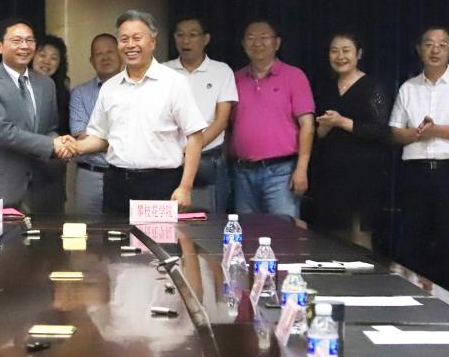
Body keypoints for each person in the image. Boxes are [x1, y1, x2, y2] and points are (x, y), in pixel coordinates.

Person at [73, 10, 207, 215]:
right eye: (124, 39)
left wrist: (185, 187)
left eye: (137, 38)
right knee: (114, 236)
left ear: (152, 42)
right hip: (117, 183)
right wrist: (73, 147)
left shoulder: (174, 83)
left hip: (160, 184)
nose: (130, 45)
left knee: (158, 237)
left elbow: (195, 136)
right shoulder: (109, 87)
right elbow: (100, 137)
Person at [389, 26, 449, 290]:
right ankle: (409, 301)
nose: (435, 50)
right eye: (429, 44)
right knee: (411, 243)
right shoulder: (408, 87)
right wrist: (418, 133)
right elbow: (394, 133)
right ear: (419, 49)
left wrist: (436, 130)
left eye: (442, 45)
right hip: (415, 174)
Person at [0, 18, 73, 210]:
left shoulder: (46, 84)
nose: (24, 46)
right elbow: (3, 133)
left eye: (29, 40)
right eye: (16, 40)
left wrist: (61, 144)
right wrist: (51, 145)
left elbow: (49, 128)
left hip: (40, 187)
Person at [311, 32, 391, 249]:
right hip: (331, 173)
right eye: (334, 51)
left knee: (360, 238)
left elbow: (382, 131)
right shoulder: (325, 87)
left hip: (364, 174)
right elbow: (316, 134)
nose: (340, 56)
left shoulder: (373, 86)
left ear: (359, 54)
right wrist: (324, 128)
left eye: (346, 50)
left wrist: (343, 122)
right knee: (332, 239)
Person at [229, 19, 315, 219]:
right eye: (251, 38)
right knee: (247, 233)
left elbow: (308, 126)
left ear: (277, 43)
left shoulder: (294, 76)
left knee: (283, 233)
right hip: (242, 173)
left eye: (264, 37)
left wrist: (302, 168)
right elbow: (227, 125)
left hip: (281, 172)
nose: (257, 43)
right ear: (243, 44)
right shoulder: (234, 78)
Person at [165, 16, 238, 214]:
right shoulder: (164, 71)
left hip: (208, 159)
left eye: (192, 35)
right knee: (171, 219)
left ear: (206, 39)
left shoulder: (221, 71)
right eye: (180, 35)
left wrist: (192, 148)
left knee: (209, 220)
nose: (185, 41)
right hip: (171, 158)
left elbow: (221, 120)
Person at [69, 34, 122, 214]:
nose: (105, 57)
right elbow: (80, 135)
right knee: (85, 228)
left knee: (123, 228)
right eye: (99, 54)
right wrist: (119, 139)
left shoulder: (136, 89)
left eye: (110, 52)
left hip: (125, 174)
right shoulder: (79, 93)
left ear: (121, 55)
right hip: (90, 175)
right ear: (92, 61)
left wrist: (96, 140)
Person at [30, 34, 71, 214]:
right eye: (42, 55)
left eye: (54, 58)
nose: (47, 61)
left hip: (51, 169)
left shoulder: (63, 93)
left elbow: (65, 130)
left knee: (52, 223)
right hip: (20, 170)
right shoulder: (14, 87)